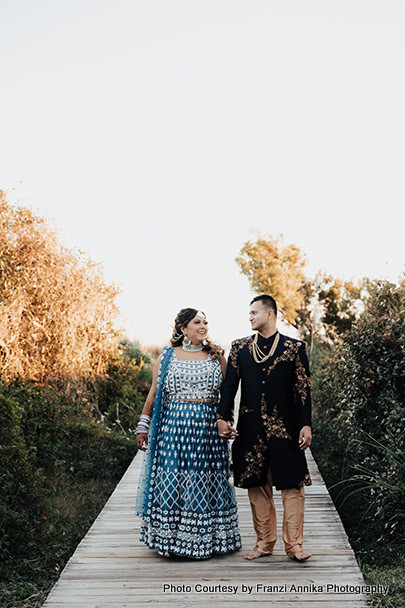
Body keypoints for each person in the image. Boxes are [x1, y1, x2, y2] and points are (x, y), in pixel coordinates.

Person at [135, 308, 241, 559]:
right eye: (197, 322)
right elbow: (153, 394)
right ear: (183, 329)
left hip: (207, 431)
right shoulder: (167, 358)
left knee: (204, 481)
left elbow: (227, 397)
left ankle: (208, 540)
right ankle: (169, 540)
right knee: (173, 480)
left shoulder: (217, 357)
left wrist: (224, 421)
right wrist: (143, 427)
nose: (203, 326)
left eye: (205, 322)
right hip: (173, 430)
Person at [216, 295, 312, 562]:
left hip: (287, 428)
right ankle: (264, 543)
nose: (250, 317)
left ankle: (294, 546)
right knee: (257, 486)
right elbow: (229, 386)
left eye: (254, 312)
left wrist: (306, 424)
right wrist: (223, 418)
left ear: (270, 314)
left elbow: (303, 388)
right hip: (250, 427)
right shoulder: (240, 348)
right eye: (249, 313)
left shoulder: (294, 348)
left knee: (293, 487)